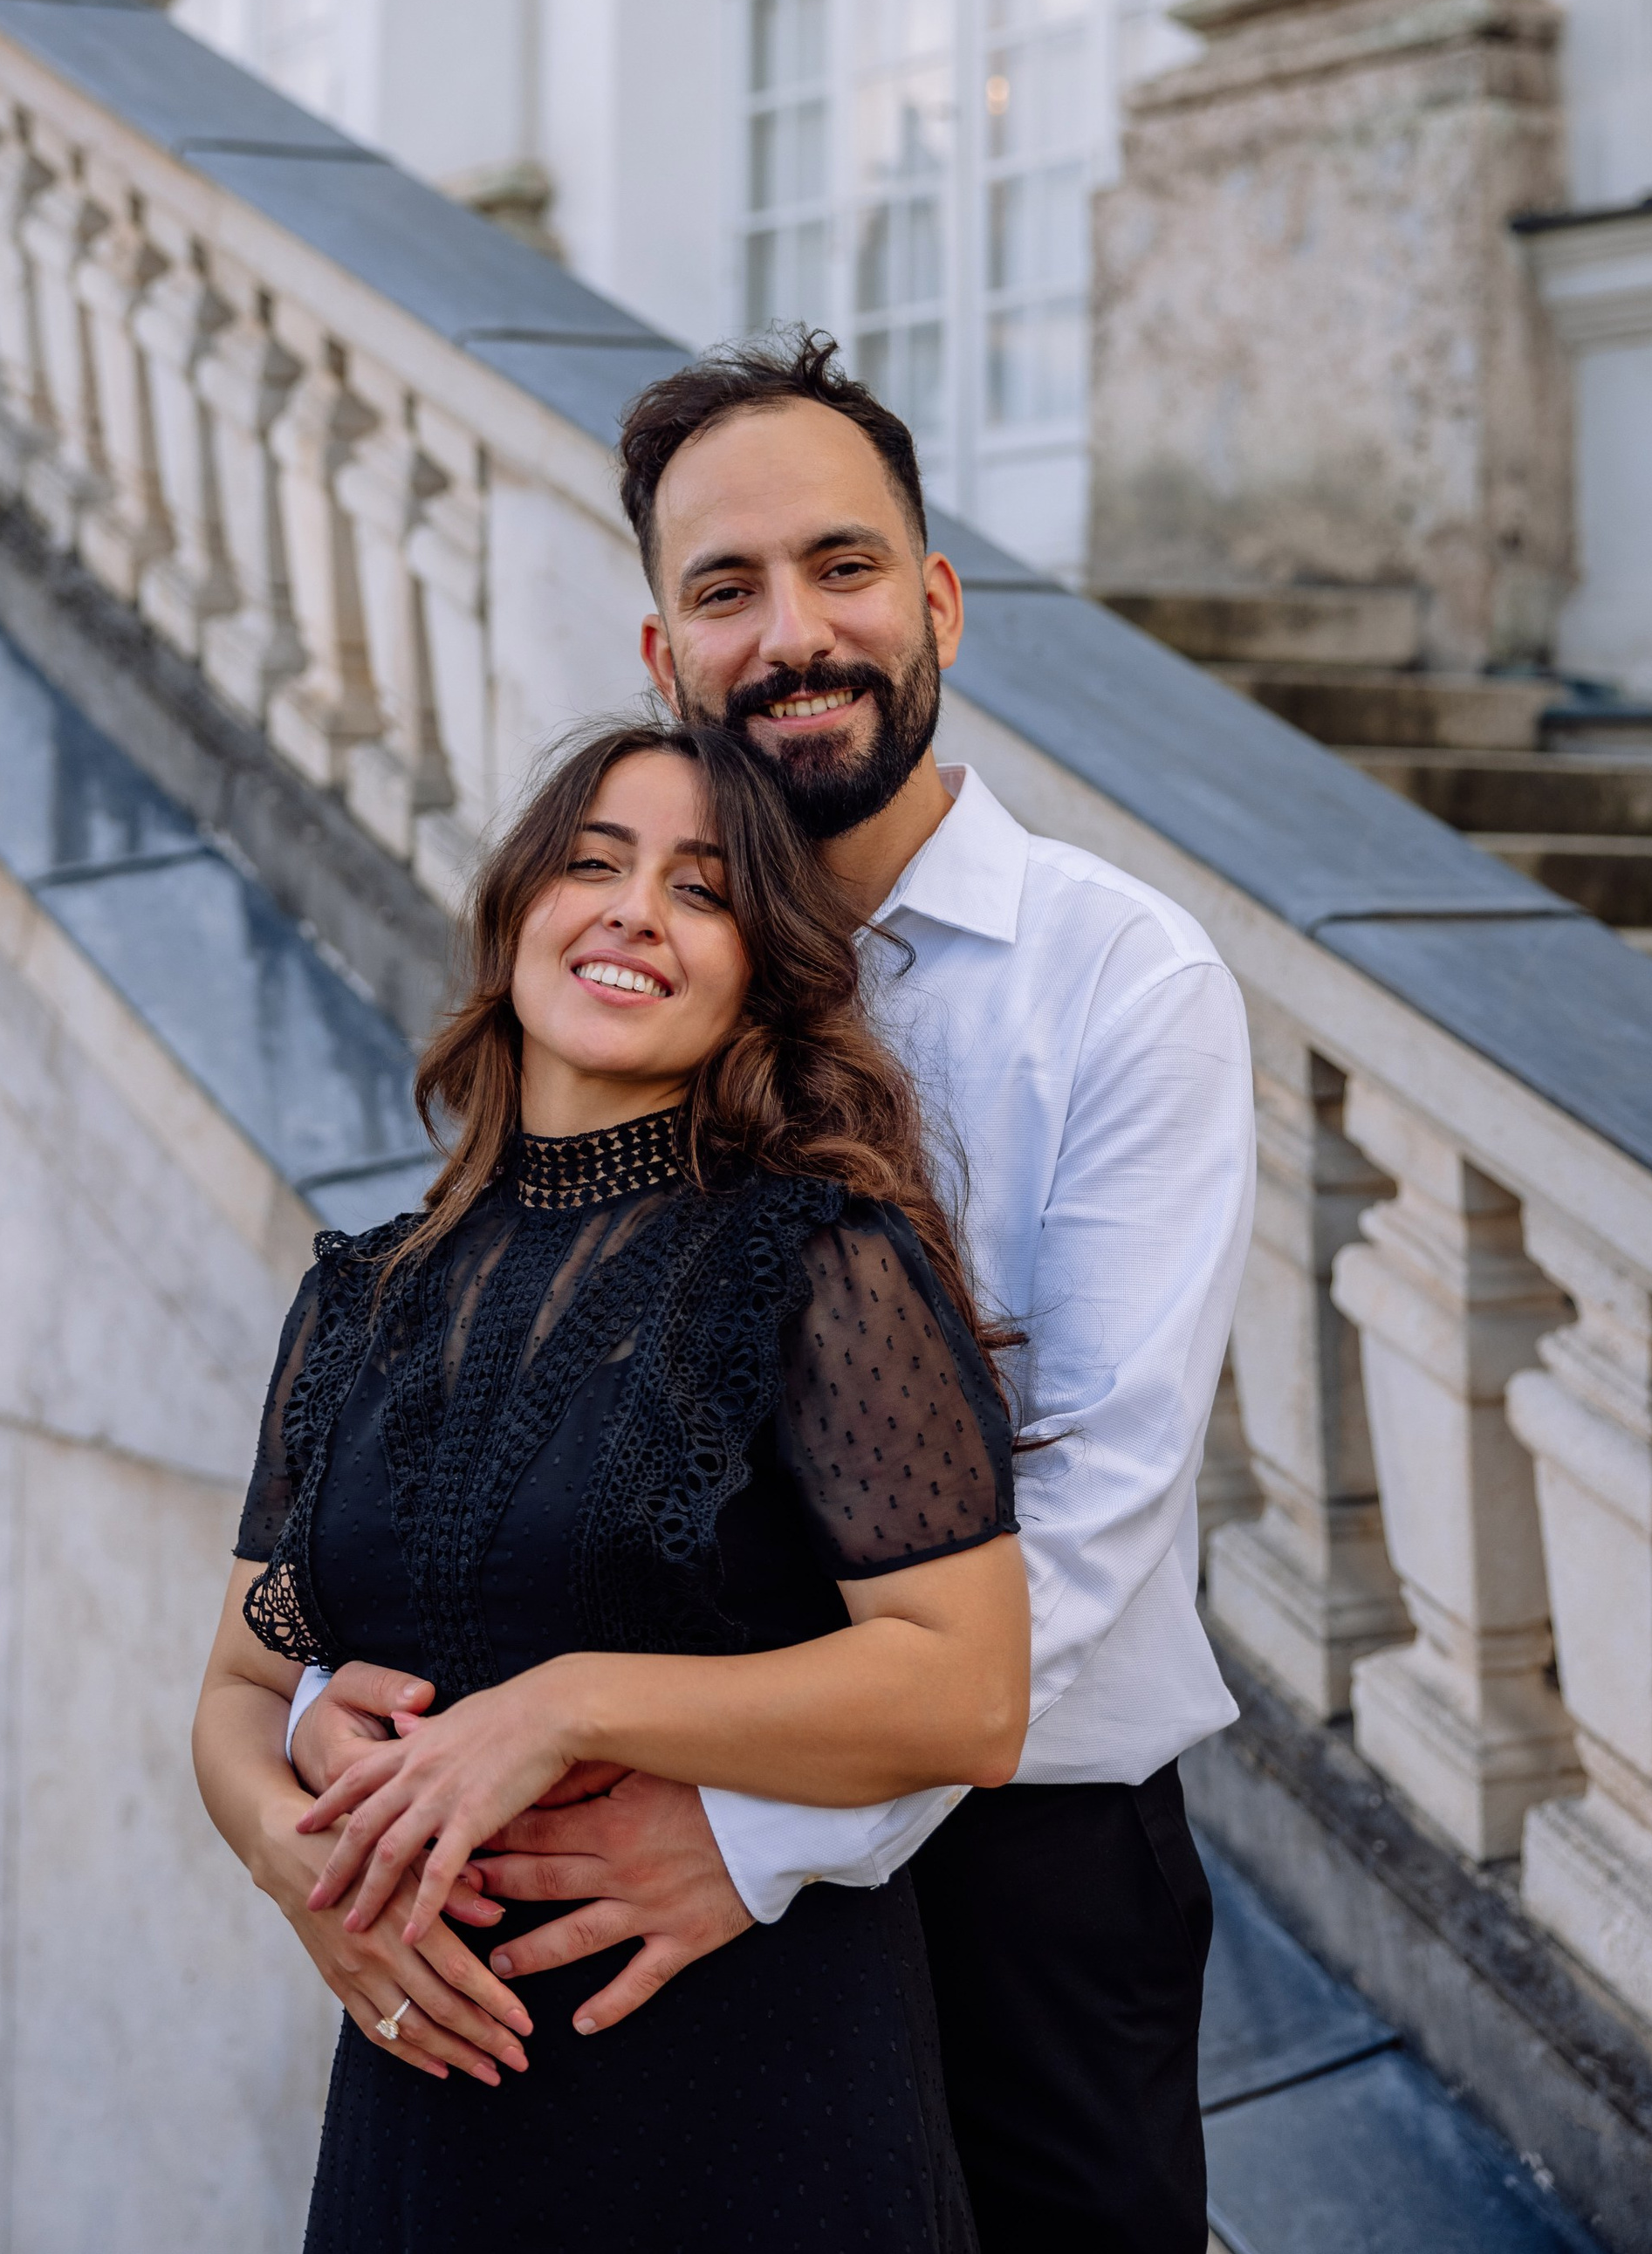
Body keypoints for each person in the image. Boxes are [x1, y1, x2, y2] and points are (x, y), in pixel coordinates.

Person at [291, 333, 1257, 2254]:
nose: (789, 631)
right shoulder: (626, 976)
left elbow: (1087, 1517)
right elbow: (484, 1394)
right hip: (612, 1843)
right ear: (661, 656)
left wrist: (757, 1834)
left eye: (839, 565)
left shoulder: (1119, 979)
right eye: (723, 588)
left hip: (1010, 1881)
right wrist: (336, 1733)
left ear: (935, 601)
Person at [193, 717, 1029, 2252]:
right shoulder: (362, 1298)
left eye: (701, 889)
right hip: (425, 2113)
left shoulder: (823, 1260)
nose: (635, 908)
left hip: (749, 2107)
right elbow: (244, 1684)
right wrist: (280, 1847)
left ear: (760, 973)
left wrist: (566, 1701)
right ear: (518, 912)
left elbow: (969, 1692)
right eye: (594, 863)